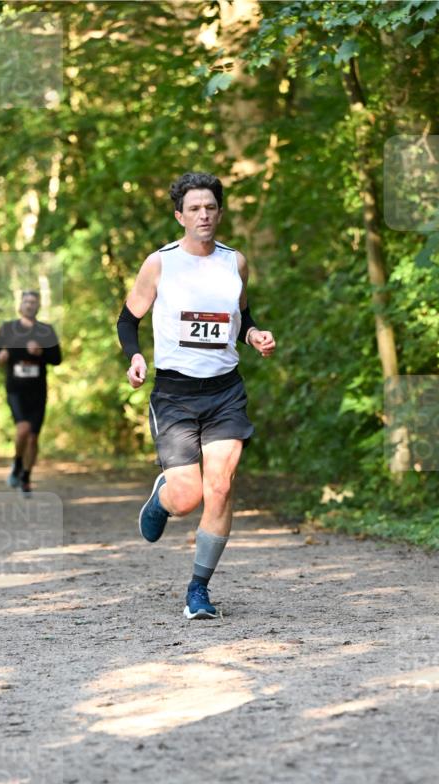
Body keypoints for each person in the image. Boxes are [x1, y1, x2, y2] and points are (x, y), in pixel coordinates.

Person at [117, 171, 275, 619]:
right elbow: (127, 320)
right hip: (175, 394)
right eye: (194, 209)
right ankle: (163, 498)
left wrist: (254, 335)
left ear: (219, 213)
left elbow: (241, 319)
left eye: (210, 207)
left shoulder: (235, 263)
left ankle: (198, 590)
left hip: (225, 391)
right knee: (187, 499)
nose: (203, 215)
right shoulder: (160, 264)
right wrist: (135, 356)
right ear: (179, 216)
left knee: (220, 487)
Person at [0, 290, 62, 494]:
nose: (30, 305)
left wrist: (42, 352)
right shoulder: (8, 328)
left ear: (38, 306)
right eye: (26, 302)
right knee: (23, 430)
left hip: (38, 391)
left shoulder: (46, 331)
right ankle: (17, 464)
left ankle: (26, 477)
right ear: (20, 305)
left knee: (33, 438)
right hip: (16, 389)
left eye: (33, 302)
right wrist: (0, 355)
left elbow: (57, 358)